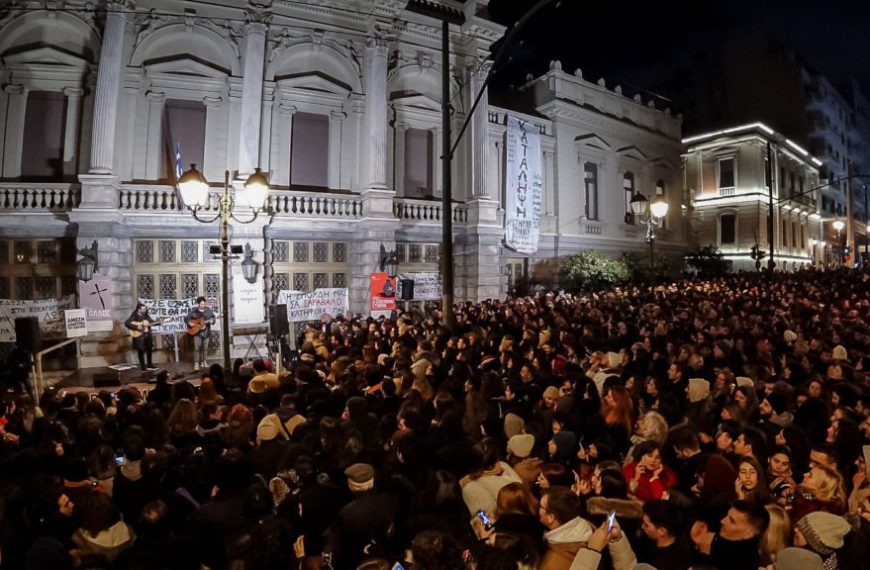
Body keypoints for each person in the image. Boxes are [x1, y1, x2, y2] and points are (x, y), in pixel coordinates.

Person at [185, 297, 215, 372]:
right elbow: (186, 319)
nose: (203, 305)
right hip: (197, 333)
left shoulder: (208, 310)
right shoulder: (194, 311)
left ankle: (204, 362)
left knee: (205, 348)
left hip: (206, 332)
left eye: (204, 303)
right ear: (198, 304)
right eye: (201, 304)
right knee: (197, 348)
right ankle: (196, 363)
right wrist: (190, 323)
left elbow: (213, 317)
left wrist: (212, 321)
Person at [124, 303, 156, 372]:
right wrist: (136, 327)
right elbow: (127, 323)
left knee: (149, 349)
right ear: (139, 309)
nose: (145, 310)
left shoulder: (146, 315)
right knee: (141, 351)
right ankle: (143, 367)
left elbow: (151, 321)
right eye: (143, 309)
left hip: (147, 335)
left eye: (145, 309)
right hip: (139, 336)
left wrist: (159, 322)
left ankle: (150, 365)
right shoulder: (134, 315)